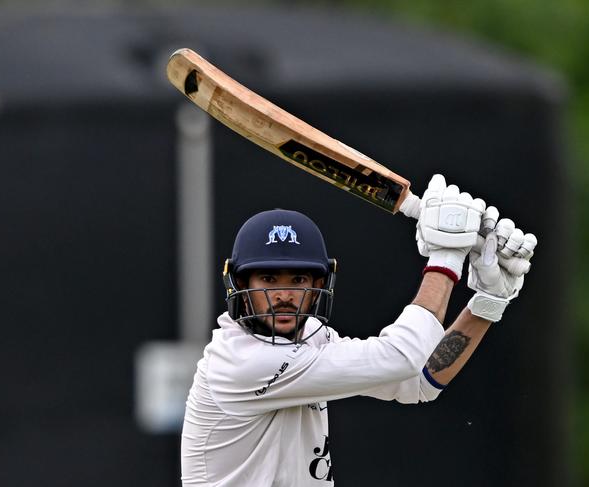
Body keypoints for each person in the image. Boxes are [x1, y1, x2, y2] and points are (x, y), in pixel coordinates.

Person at [180, 174, 537, 486]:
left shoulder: (314, 339)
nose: (285, 295)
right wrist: (446, 257)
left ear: (320, 283)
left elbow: (419, 381)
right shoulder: (240, 363)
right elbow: (401, 358)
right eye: (269, 279)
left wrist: (488, 302)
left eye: (299, 279)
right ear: (240, 285)